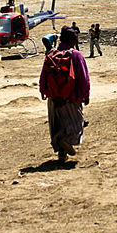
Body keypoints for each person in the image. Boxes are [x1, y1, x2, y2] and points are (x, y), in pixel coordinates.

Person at [39, 26, 90, 162]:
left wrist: (44, 91)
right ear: (73, 40)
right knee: (76, 125)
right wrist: (86, 95)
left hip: (53, 98)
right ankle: (64, 141)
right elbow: (84, 77)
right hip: (71, 97)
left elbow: (43, 75)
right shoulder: (76, 55)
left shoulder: (50, 54)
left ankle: (62, 154)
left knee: (58, 125)